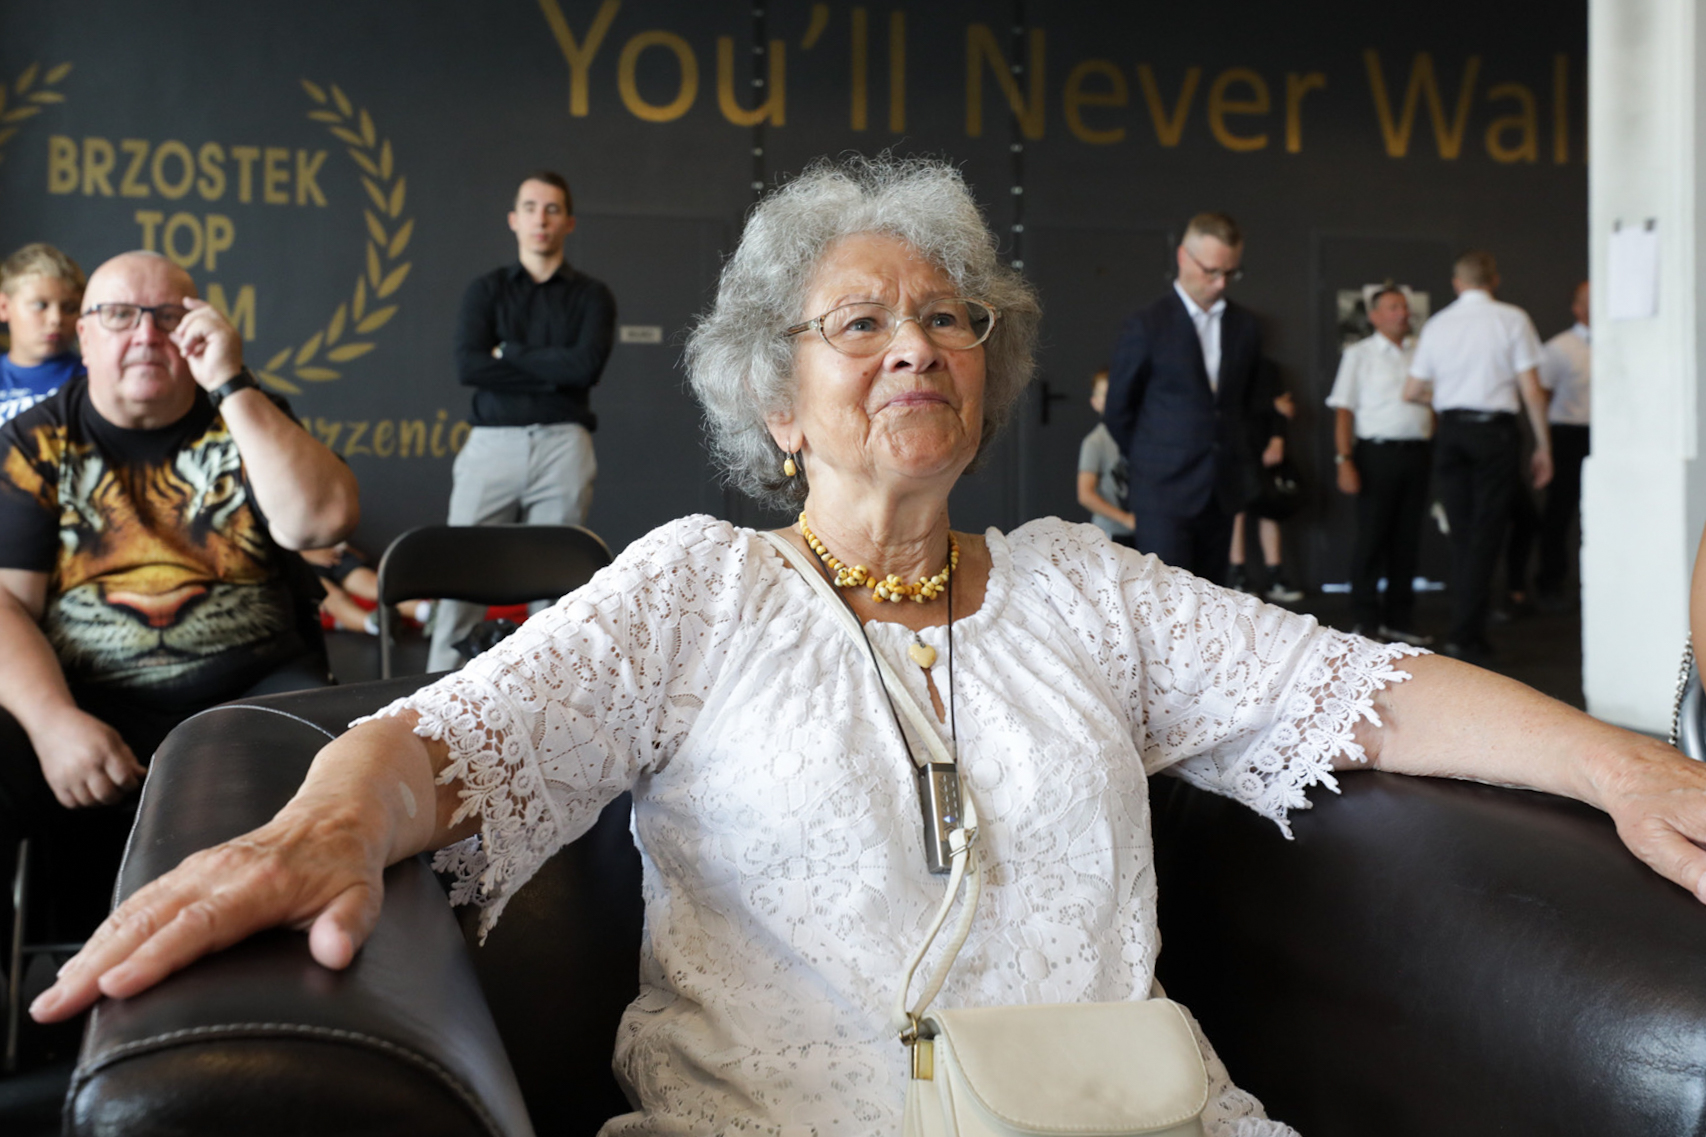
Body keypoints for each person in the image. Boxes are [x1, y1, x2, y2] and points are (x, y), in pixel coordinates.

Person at [32, 159, 1706, 1137]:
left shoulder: (1086, 587)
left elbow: (1360, 688)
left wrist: (1625, 762)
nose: (916, 344)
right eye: (861, 321)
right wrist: (328, 821)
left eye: (948, 317)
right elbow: (460, 734)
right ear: (776, 400)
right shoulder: (699, 587)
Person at [0, 251, 359, 810]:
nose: (146, 335)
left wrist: (230, 382)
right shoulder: (32, 441)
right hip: (88, 694)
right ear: (84, 337)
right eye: (119, 315)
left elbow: (322, 523)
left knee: (342, 766)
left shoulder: (246, 412)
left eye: (169, 317)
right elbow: (7, 603)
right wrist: (52, 721)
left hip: (255, 686)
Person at [431, 170, 617, 671]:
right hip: (491, 444)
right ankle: (430, 699)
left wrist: (509, 352)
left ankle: (543, 700)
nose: (541, 219)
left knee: (553, 588)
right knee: (457, 578)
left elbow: (584, 368)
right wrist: (552, 371)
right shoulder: (486, 291)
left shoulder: (592, 295)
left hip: (564, 445)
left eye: (552, 209)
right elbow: (470, 367)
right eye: (531, 208)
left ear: (569, 222)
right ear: (514, 219)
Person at [1404, 250, 1550, 664]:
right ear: (1494, 280)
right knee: (1486, 532)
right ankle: (1465, 634)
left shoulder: (1438, 324)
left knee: (1463, 533)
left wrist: (1448, 397)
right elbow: (1532, 391)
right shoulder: (1512, 319)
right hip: (1494, 434)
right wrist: (1544, 446)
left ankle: (1465, 629)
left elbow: (1411, 392)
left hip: (1451, 433)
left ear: (1457, 283)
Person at [1103, 212, 1264, 585]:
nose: (1220, 283)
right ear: (1183, 257)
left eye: (1230, 273)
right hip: (1162, 490)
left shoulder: (1245, 325)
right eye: (1211, 271)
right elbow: (1118, 411)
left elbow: (1250, 404)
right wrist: (1153, 458)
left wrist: (1241, 454)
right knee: (1166, 598)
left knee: (1213, 599)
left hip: (1222, 488)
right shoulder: (1147, 324)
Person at [1327, 287, 1434, 645]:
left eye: (1404, 306)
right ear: (1374, 316)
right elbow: (1344, 410)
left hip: (1417, 454)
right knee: (1372, 537)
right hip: (1376, 455)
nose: (1402, 313)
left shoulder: (1422, 351)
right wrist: (1344, 460)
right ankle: (1365, 619)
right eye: (1392, 307)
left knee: (1408, 539)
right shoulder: (1359, 354)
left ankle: (1400, 619)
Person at [1535, 280, 1591, 607]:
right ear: (1577, 308)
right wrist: (1544, 444)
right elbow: (1541, 396)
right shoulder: (1559, 348)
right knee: (1560, 511)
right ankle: (1550, 583)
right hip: (1569, 435)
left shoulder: (1619, 343)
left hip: (1609, 437)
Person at [1229, 366, 1303, 603]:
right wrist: (1270, 405)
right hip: (1231, 445)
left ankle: (1275, 575)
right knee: (1235, 510)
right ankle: (1237, 574)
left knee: (1268, 507)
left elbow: (1281, 405)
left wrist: (1277, 438)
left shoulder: (1266, 368)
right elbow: (1226, 404)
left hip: (1261, 446)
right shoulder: (1223, 365)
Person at [0, 242, 86, 423]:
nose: (56, 319)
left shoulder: (91, 379)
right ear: (4, 307)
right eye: (40, 305)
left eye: (69, 308)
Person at [1075, 367, 1135, 543]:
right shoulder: (1095, 442)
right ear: (1095, 402)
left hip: (1145, 531)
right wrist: (1126, 519)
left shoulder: (1142, 438)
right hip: (1112, 533)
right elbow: (1085, 495)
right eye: (1107, 395)